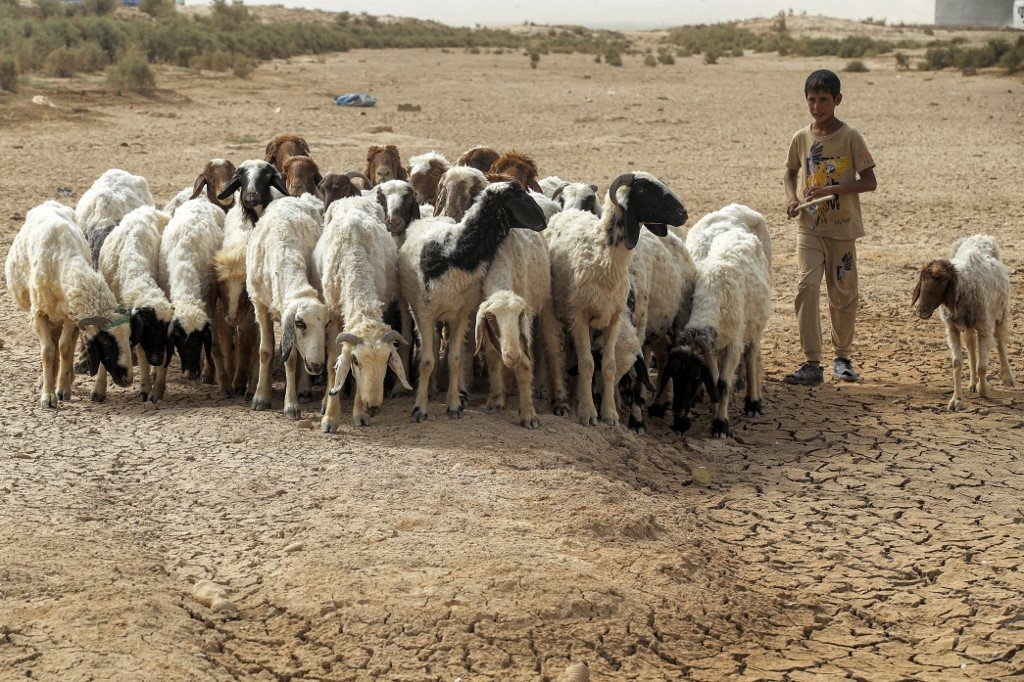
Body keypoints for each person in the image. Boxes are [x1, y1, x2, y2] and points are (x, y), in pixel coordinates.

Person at [783, 69, 877, 386]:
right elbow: (790, 173)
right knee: (806, 288)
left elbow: (870, 182)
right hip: (809, 229)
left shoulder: (850, 136)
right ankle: (812, 363)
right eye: (812, 100)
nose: (817, 106)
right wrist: (793, 199)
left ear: (837, 100)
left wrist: (832, 189)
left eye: (824, 100)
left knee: (843, 295)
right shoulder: (801, 137)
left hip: (842, 230)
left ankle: (843, 358)